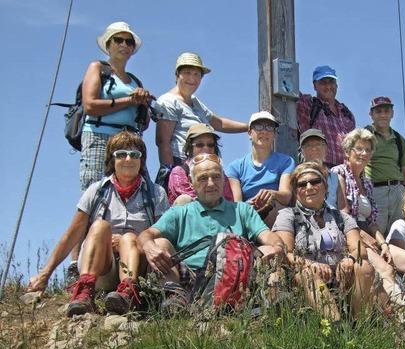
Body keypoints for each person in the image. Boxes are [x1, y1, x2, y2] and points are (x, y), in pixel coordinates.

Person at [27, 132, 169, 316]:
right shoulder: (96, 191)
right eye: (121, 154)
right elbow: (72, 235)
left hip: (139, 266)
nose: (128, 159)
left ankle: (128, 292)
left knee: (129, 238)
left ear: (142, 161)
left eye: (135, 155)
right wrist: (45, 274)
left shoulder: (156, 194)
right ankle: (85, 291)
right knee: (100, 226)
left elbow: (161, 236)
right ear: (112, 160)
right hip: (103, 266)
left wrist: (129, 241)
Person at [137, 153, 285, 314]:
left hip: (236, 277)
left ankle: (272, 302)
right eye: (202, 178)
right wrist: (149, 245)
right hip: (191, 279)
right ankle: (174, 299)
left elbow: (267, 236)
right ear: (191, 182)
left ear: (224, 180)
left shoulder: (242, 210)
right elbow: (147, 234)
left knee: (270, 250)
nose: (211, 183)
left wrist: (277, 246)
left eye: (216, 176)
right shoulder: (179, 212)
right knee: (158, 243)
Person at [72, 22, 154, 282]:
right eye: (118, 40)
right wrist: (130, 100)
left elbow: (144, 122)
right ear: (108, 44)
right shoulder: (97, 68)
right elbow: (89, 104)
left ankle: (126, 260)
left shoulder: (135, 81)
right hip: (98, 136)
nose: (124, 45)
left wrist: (144, 104)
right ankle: (77, 265)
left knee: (140, 193)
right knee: (92, 198)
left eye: (129, 42)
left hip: (128, 142)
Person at [332, 128, 405, 316]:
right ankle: (404, 315)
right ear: (348, 151)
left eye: (367, 150)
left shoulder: (366, 182)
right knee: (386, 270)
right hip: (349, 235)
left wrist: (383, 244)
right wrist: (364, 238)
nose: (364, 153)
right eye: (358, 149)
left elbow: (372, 221)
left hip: (369, 234)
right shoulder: (338, 173)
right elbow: (342, 214)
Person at [272, 162, 375, 320]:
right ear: (295, 191)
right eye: (302, 184)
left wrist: (349, 259)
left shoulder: (342, 217)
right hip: (305, 276)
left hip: (341, 275)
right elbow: (286, 253)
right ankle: (335, 326)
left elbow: (359, 249)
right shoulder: (287, 215)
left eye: (315, 181)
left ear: (326, 186)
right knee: (306, 274)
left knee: (364, 266)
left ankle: (359, 324)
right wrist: (311, 265)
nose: (309, 187)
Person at [155, 52, 247, 178]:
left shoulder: (195, 102)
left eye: (196, 74)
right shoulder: (168, 101)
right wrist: (171, 175)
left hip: (201, 167)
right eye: (187, 72)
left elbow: (219, 123)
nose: (192, 78)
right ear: (177, 74)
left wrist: (249, 127)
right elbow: (163, 142)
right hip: (181, 167)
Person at [226, 111, 295, 226]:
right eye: (258, 126)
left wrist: (272, 194)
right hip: (248, 214)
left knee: (274, 207)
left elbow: (286, 196)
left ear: (274, 134)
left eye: (269, 127)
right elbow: (237, 203)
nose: (264, 131)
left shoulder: (286, 162)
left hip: (275, 213)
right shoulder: (235, 167)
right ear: (249, 132)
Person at [365, 97, 405, 235]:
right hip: (375, 191)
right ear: (371, 115)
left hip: (398, 192)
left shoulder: (399, 139)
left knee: (399, 235)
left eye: (386, 111)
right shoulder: (364, 135)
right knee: (375, 236)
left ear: (392, 113)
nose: (383, 115)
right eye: (378, 111)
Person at [297, 65, 356, 168]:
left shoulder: (346, 113)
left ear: (336, 85)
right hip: (319, 169)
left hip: (345, 173)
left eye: (331, 82)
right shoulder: (308, 104)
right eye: (323, 82)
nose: (328, 86)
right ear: (315, 85)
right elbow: (290, 90)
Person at [167, 123, 233, 205]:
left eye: (210, 145)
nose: (206, 148)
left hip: (219, 214)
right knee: (184, 200)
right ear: (190, 147)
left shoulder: (221, 173)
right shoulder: (179, 172)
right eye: (199, 145)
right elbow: (192, 202)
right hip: (190, 215)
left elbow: (229, 200)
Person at [298, 128, 344, 209]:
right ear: (302, 150)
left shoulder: (336, 178)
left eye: (318, 144)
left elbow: (343, 209)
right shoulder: (296, 176)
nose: (314, 148)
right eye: (308, 145)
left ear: (326, 148)